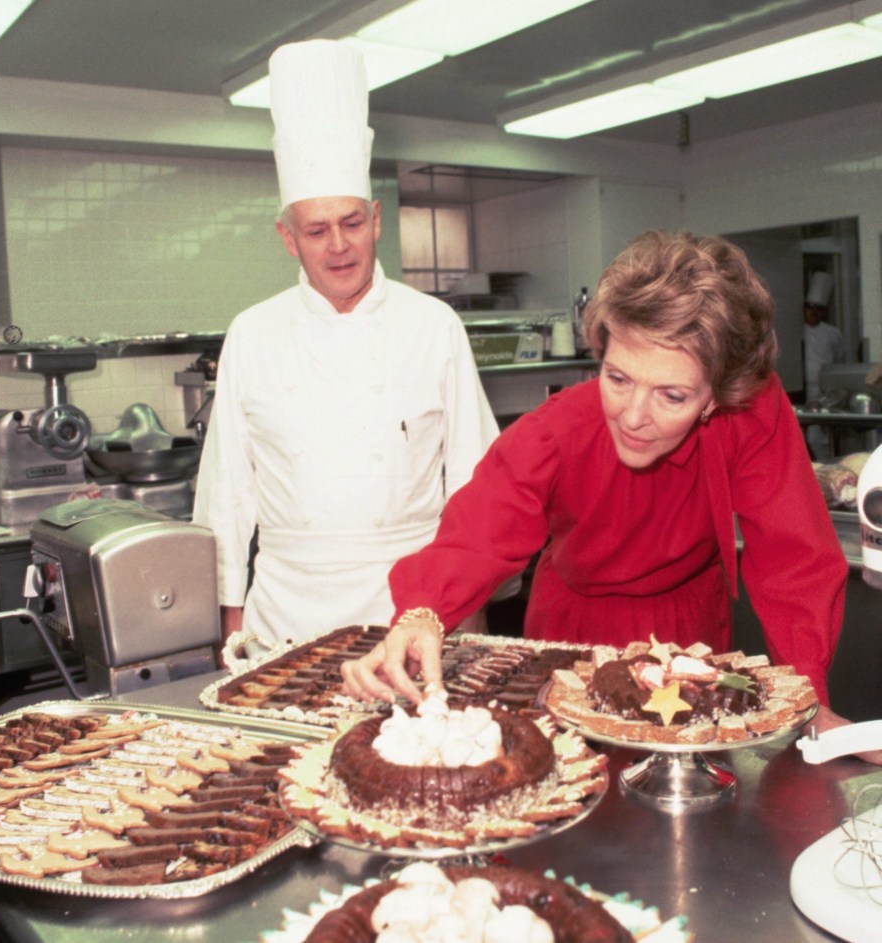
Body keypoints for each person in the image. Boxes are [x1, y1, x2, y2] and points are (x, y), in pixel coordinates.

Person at [342, 230, 869, 754]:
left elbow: (793, 557)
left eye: (673, 395)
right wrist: (422, 611)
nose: (634, 417)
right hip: (573, 635)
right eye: (618, 379)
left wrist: (804, 698)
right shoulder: (561, 427)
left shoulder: (750, 408)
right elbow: (480, 527)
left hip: (693, 631)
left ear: (717, 395)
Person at [193, 40, 498, 656]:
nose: (339, 246)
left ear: (377, 220)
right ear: (287, 238)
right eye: (316, 229)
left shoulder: (434, 326)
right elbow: (227, 490)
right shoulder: (253, 333)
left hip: (412, 604)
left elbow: (476, 479)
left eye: (352, 223)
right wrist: (229, 622)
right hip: (285, 612)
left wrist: (465, 607)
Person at [802, 274, 844, 460]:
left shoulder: (833, 333)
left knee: (820, 436)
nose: (814, 313)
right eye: (811, 308)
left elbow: (840, 360)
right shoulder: (798, 331)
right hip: (801, 389)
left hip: (825, 392)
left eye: (819, 309)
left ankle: (825, 466)